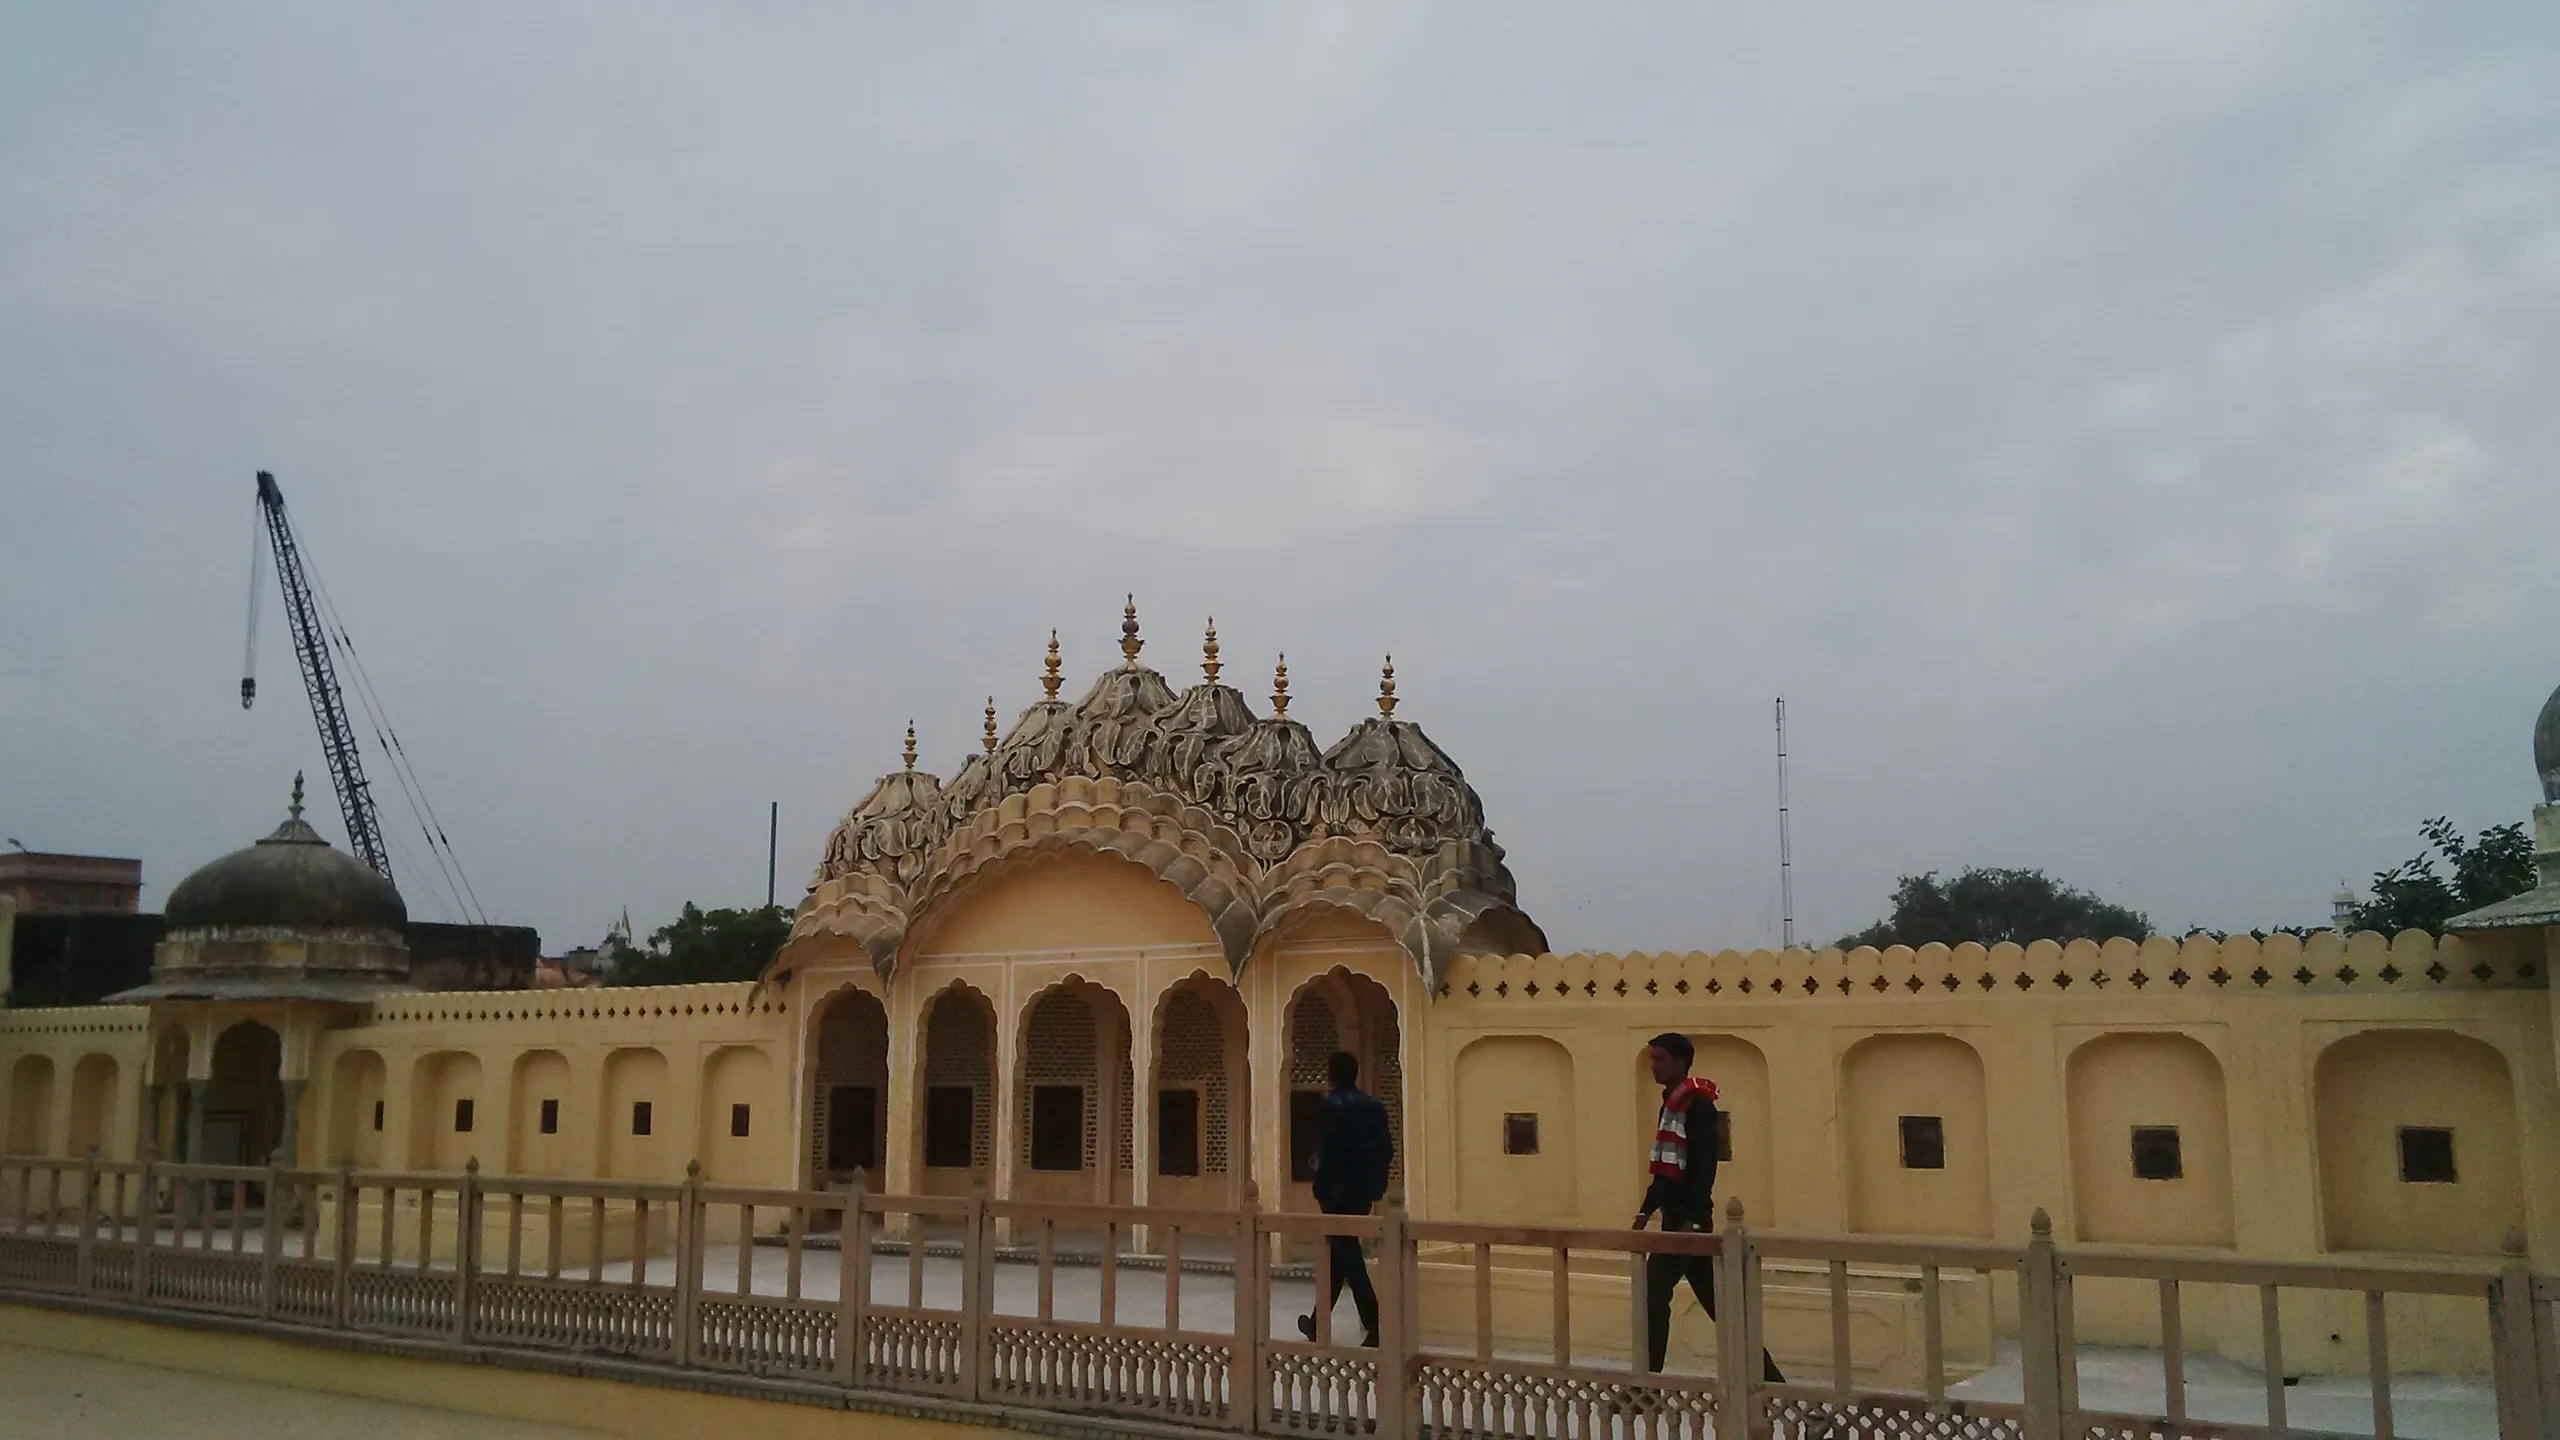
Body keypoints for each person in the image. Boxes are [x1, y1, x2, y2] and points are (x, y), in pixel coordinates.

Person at [1633, 1032, 1784, 1381]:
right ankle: (1777, 1386)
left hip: (1689, 1223)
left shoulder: (1698, 1106)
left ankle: (1646, 1383)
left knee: (1653, 1296)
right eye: (1653, 1059)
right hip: (1676, 1221)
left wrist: (1695, 1222)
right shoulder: (1670, 1105)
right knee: (1725, 1312)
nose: (1654, 1066)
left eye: (1661, 1060)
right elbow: (1665, 1169)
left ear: (1681, 1062)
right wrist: (1645, 1211)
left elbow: (1702, 1167)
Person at [1299, 1049, 1393, 1347]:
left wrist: (1321, 1189)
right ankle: (1316, 1323)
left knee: (1349, 1258)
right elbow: (1385, 1151)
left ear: (1331, 1075)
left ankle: (1376, 1324)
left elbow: (1331, 1155)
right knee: (1340, 1256)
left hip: (1338, 1195)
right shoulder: (1374, 1107)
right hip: (1364, 1194)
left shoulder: (1332, 1107)